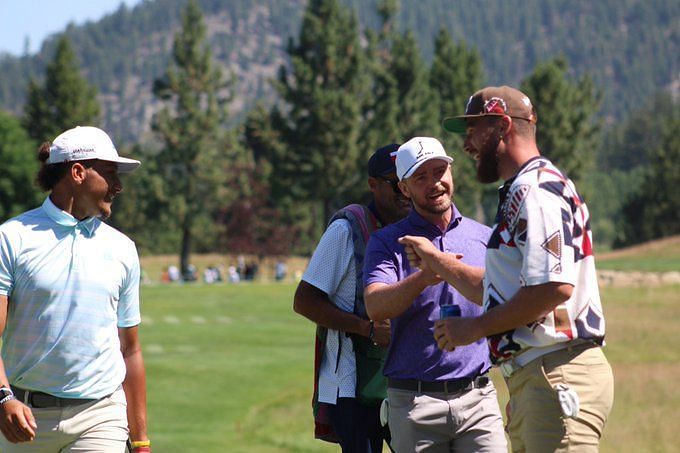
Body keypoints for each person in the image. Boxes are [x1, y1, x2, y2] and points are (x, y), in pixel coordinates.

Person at [402, 86, 614, 452]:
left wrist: (476, 328)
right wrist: (437, 262)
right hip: (539, 375)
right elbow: (503, 288)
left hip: (555, 372)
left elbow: (553, 287)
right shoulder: (525, 188)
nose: (467, 146)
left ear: (502, 127)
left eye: (473, 131)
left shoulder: (536, 190)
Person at [0, 126, 151, 452]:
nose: (118, 187)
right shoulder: (11, 238)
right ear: (78, 172)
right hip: (24, 418)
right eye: (111, 173)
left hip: (102, 416)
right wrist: (3, 398)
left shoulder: (123, 249)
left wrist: (140, 441)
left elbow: (131, 350)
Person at [363, 136, 507, 452]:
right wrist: (423, 278)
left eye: (440, 171)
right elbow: (375, 305)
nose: (435, 183)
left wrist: (439, 264)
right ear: (404, 188)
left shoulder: (484, 236)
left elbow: (503, 295)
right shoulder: (387, 242)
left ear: (452, 174)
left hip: (479, 399)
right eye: (421, 177)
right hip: (415, 403)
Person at [293, 143, 410, 452]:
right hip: (351, 383)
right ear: (373, 185)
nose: (405, 191)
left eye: (410, 181)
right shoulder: (346, 229)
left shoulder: (416, 228)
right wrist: (366, 328)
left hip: (402, 377)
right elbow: (304, 300)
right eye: (396, 183)